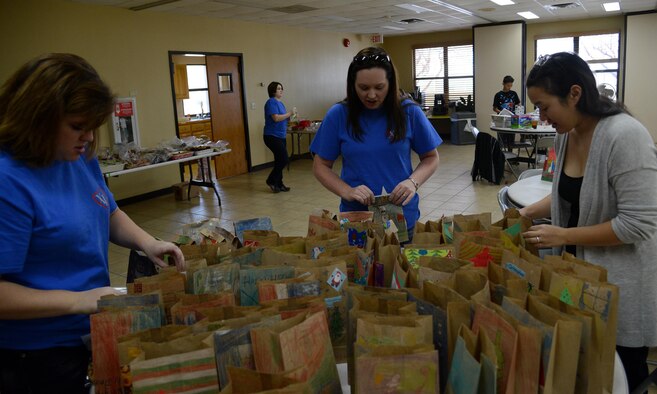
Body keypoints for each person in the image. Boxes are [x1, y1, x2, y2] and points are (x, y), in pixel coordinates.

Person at [0, 53, 185, 393]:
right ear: (38, 117)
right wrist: (80, 299)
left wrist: (147, 242)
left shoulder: (78, 158)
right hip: (37, 354)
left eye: (92, 128)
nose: (87, 138)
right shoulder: (8, 180)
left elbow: (108, 212)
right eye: (76, 126)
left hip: (89, 334)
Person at [518, 51, 657, 392]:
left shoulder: (625, 136)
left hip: (623, 282)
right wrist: (527, 213)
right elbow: (571, 193)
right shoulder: (568, 133)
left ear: (575, 94)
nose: (541, 116)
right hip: (580, 276)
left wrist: (563, 234)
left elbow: (637, 224)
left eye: (545, 106)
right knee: (588, 368)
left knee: (621, 368)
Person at [310, 47, 441, 241]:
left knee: (401, 268)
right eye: (363, 88)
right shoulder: (338, 115)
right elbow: (320, 166)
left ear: (391, 84)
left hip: (402, 217)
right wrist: (347, 190)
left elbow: (431, 158)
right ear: (352, 85)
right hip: (357, 220)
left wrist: (413, 182)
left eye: (379, 87)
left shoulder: (408, 112)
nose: (371, 95)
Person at [263, 81, 293, 193]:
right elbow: (276, 118)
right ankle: (271, 180)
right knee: (284, 159)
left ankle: (279, 184)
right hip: (272, 136)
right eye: (279, 88)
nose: (281, 90)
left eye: (281, 88)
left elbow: (283, 117)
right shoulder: (271, 102)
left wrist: (290, 117)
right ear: (273, 91)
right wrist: (289, 114)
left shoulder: (280, 103)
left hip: (281, 135)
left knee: (279, 160)